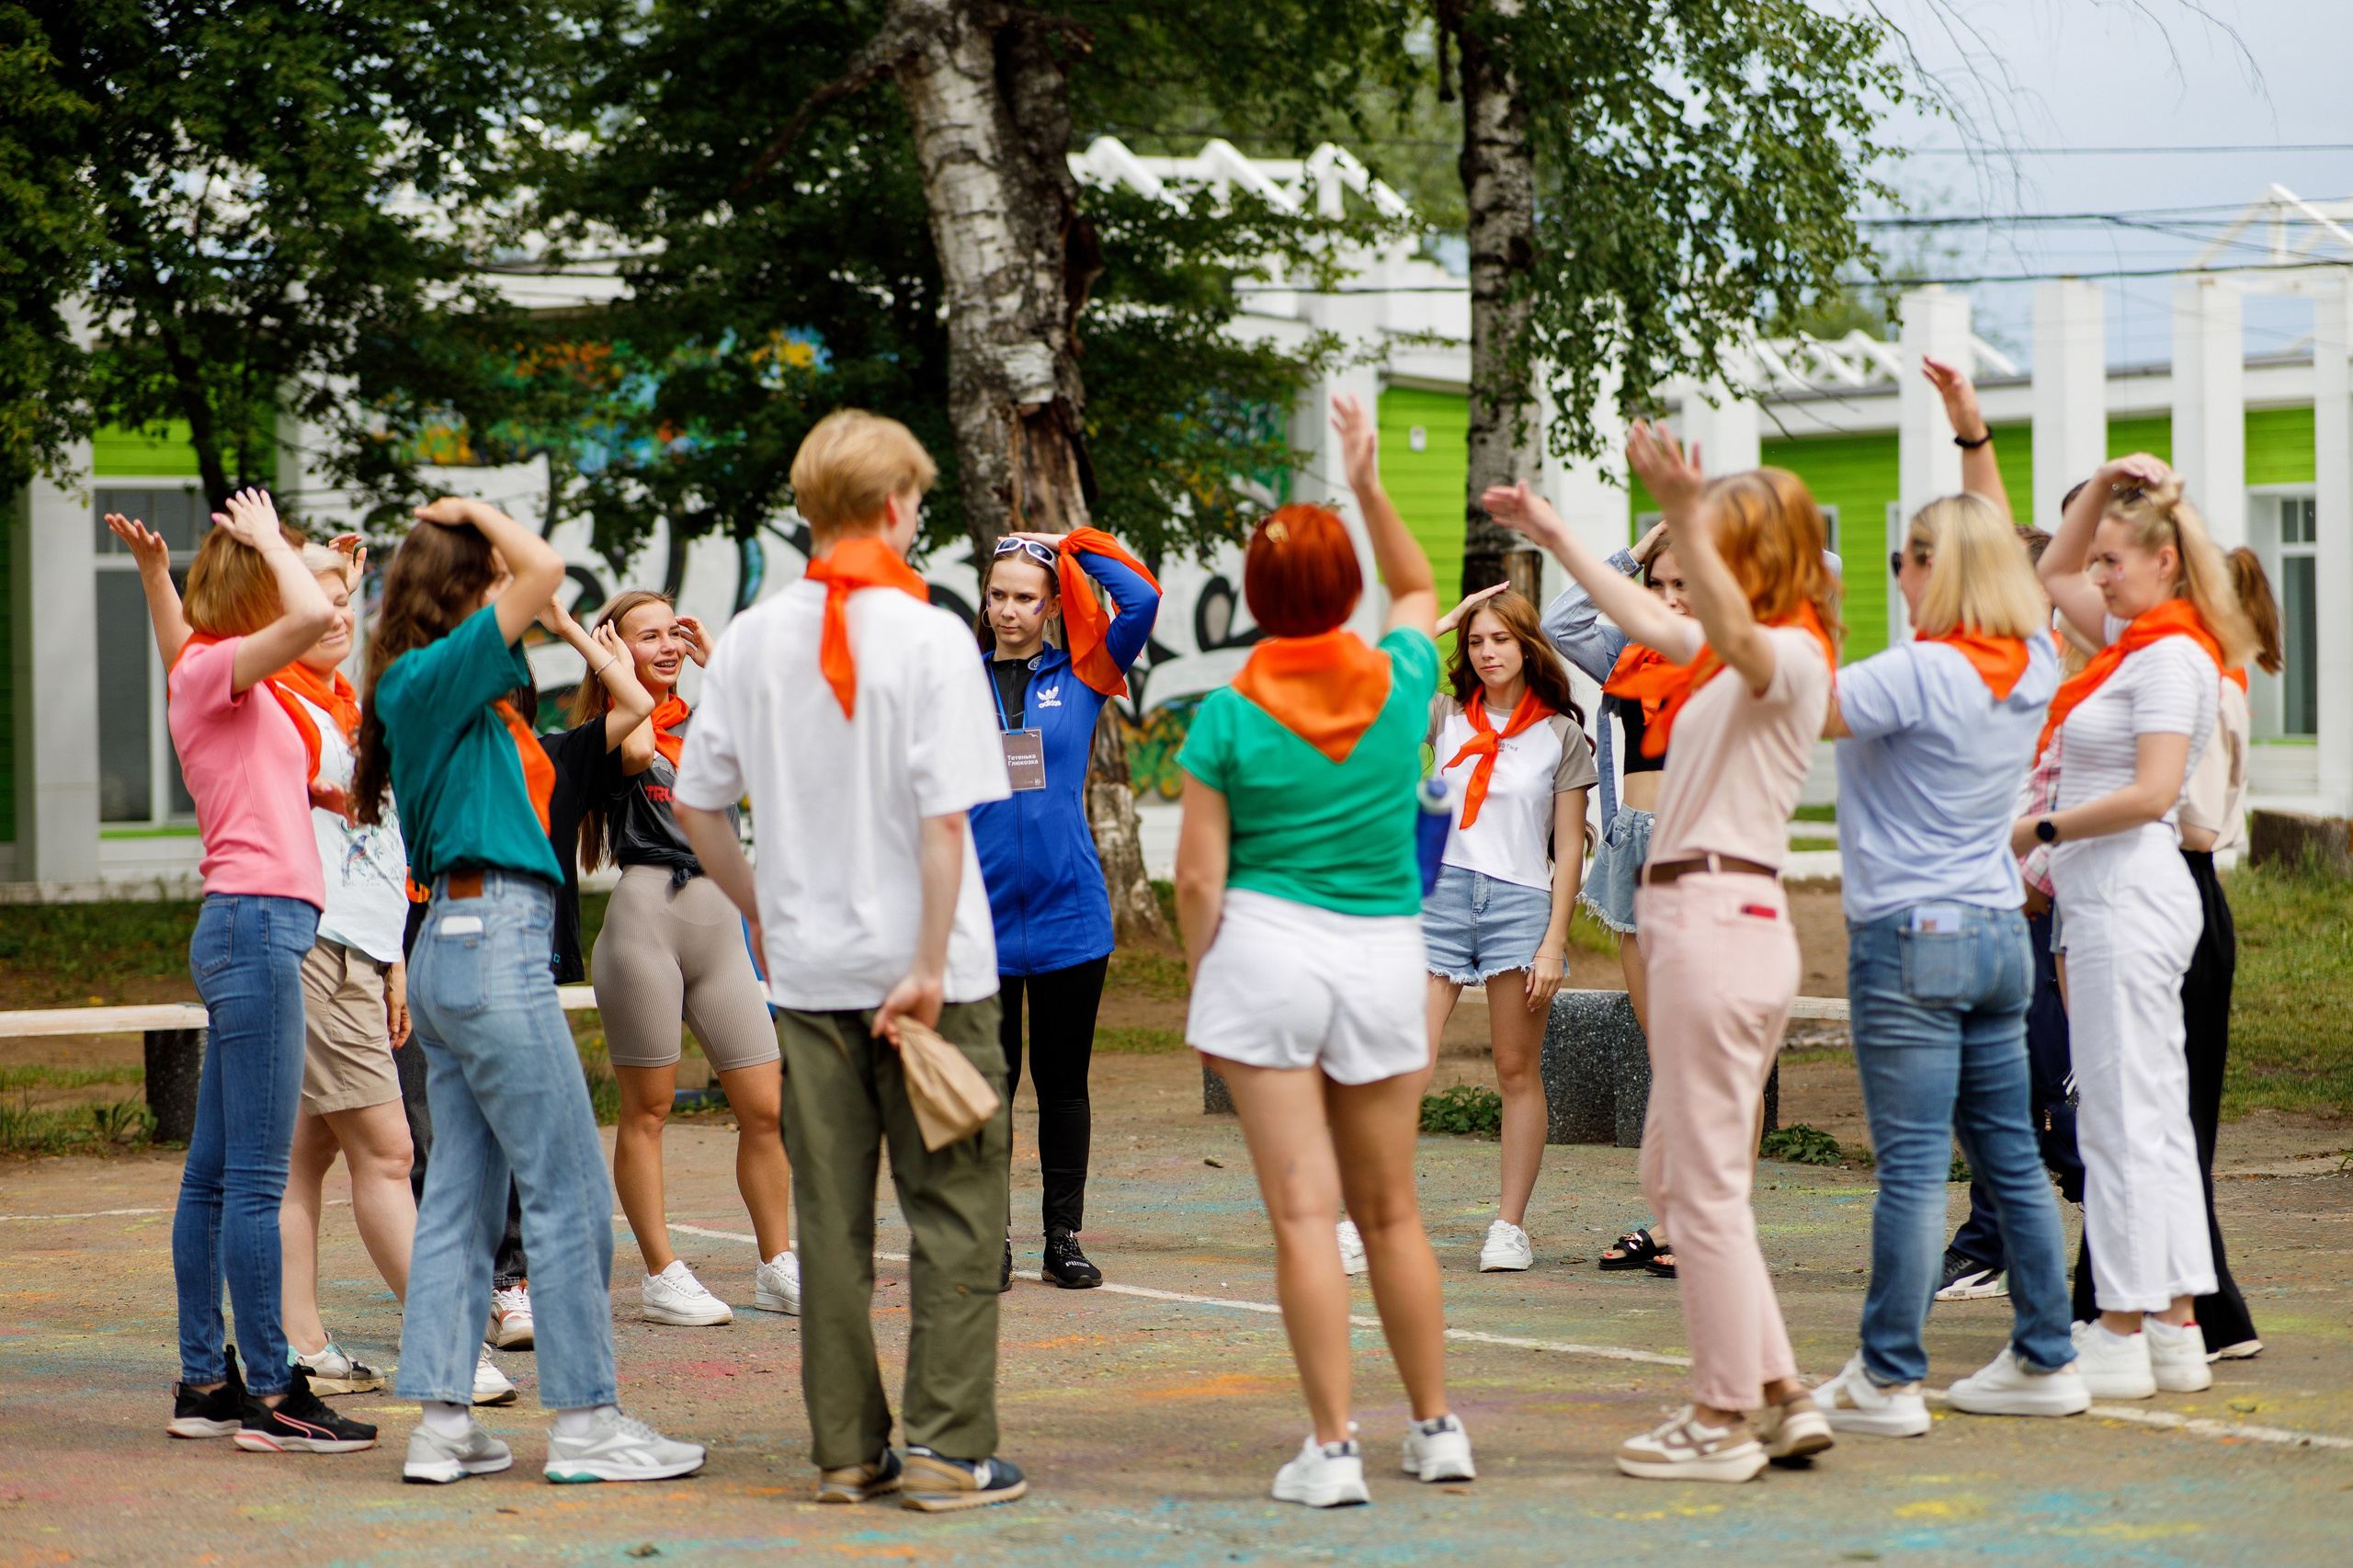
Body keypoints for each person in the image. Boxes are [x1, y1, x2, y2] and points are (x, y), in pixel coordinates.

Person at [674, 409, 1027, 1512]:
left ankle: (844, 1449)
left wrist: (760, 911)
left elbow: (698, 806)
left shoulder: (751, 634)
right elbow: (942, 822)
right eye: (916, 500)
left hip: (811, 974)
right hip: (935, 975)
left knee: (828, 1219)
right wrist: (925, 959)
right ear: (891, 506)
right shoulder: (930, 635)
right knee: (957, 1207)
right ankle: (945, 1447)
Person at [1488, 428, 1838, 1483]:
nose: (1694, 570)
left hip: (1718, 919)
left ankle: (1722, 1412)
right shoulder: (1728, 648)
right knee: (1681, 1171)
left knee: (1695, 1183)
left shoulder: (1788, 648)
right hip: (1705, 918)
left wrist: (1684, 505)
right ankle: (1773, 1389)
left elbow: (1712, 617)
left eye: (1721, 542)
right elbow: (1643, 615)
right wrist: (1553, 533)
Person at [361, 495, 704, 1485]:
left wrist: (553, 624)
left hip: (463, 944)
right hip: (490, 936)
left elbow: (583, 650)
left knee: (463, 1201)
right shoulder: (436, 671)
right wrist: (475, 512)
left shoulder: (447, 687)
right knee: (568, 1191)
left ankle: (443, 1422)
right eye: (490, 576)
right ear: (464, 587)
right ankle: (590, 1421)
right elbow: (546, 568)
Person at [1174, 393, 1474, 1508]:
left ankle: (1333, 1446)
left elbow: (1199, 875)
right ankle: (1438, 1429)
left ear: (1253, 597)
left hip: (1267, 949)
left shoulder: (1228, 711)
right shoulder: (1403, 677)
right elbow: (1419, 587)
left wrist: (1208, 968)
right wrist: (1368, 482)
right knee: (1391, 1208)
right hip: (1386, 950)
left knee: (1306, 1214)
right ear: (1341, 590)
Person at [1805, 355, 2090, 1435]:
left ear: (1930, 565)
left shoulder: (1913, 671)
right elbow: (2004, 546)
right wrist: (1970, 431)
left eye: (1903, 560)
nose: (1898, 576)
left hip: (1911, 936)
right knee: (2006, 1153)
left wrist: (1813, 608)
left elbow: (1796, 700)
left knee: (1916, 1169)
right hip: (1991, 930)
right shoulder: (2025, 659)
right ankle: (2045, 1351)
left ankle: (1887, 1374)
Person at [143, 490, 378, 1455]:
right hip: (256, 927)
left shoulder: (217, 680)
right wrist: (276, 540)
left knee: (211, 1178)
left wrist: (158, 576)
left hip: (254, 926)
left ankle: (206, 1381)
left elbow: (266, 651)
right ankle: (278, 1389)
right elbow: (317, 617)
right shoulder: (214, 670)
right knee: (252, 1179)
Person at [2023, 455, 2256, 1400]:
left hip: (2129, 887)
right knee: (2146, 1118)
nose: (2098, 573)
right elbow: (2051, 573)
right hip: (2111, 891)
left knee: (2124, 1120)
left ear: (2165, 563)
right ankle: (2171, 1322)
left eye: (2116, 557)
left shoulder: (2168, 654)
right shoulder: (2139, 638)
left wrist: (2037, 827)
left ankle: (2122, 1324)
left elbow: (2156, 791)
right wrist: (2105, 490)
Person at [557, 589, 800, 1324]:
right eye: (646, 636)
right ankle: (662, 1274)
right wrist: (599, 659)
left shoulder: (707, 719)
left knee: (765, 1106)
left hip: (719, 922)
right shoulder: (621, 726)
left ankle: (776, 1264)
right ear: (615, 649)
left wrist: (718, 661)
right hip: (646, 917)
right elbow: (637, 751)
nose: (667, 646)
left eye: (673, 633)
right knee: (650, 1109)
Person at [2071, 544, 2279, 1360]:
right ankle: (2154, 1303)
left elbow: (2191, 816)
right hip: (2176, 884)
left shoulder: (2194, 680)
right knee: (2151, 1111)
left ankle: (2186, 1308)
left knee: (2155, 1115)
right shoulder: (2200, 675)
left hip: (2172, 879)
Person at [971, 525, 1162, 1290]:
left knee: (1062, 1083)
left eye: (1025, 597)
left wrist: (1071, 543)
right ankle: (992, 1241)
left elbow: (1141, 596)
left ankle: (1062, 1239)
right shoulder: (955, 683)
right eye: (997, 596)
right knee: (988, 1087)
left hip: (1069, 917)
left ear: (1052, 604)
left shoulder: (1087, 671)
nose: (1009, 610)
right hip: (977, 921)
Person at [1525, 516, 1694, 1278]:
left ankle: (1711, 1221)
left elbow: (1816, 565)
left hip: (1702, 849)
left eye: (1682, 584)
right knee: (1666, 1052)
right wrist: (1639, 551)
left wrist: (1721, 542)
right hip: (1634, 845)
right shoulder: (1629, 652)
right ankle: (1671, 1217)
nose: (1667, 598)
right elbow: (1560, 620)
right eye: (1657, 586)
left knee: (1710, 1057)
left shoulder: (1739, 648)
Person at [1419, 584, 1595, 1272]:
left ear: (1526, 646)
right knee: (1404, 1061)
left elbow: (1571, 848)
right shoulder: (1442, 716)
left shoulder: (1560, 734)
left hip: (1521, 904)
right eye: (1475, 640)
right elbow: (1371, 681)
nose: (1487, 652)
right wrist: (1443, 620)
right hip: (1438, 898)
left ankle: (1508, 1227)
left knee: (1516, 1070)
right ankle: (1363, 1217)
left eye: (1500, 639)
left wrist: (1555, 941)